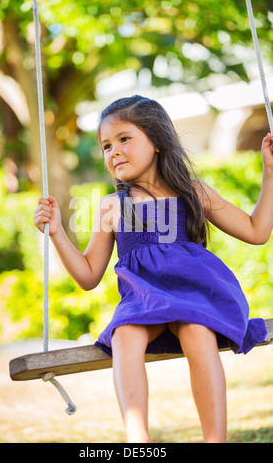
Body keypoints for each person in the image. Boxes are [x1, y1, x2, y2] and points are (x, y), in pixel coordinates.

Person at [34, 95, 272, 443]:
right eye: (106, 146)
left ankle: (215, 439)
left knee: (196, 331)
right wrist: (56, 232)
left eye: (124, 139)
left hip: (194, 294)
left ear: (157, 141)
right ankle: (137, 440)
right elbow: (88, 276)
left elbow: (256, 231)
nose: (113, 151)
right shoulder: (112, 206)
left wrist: (269, 172)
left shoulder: (193, 193)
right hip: (144, 300)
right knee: (124, 334)